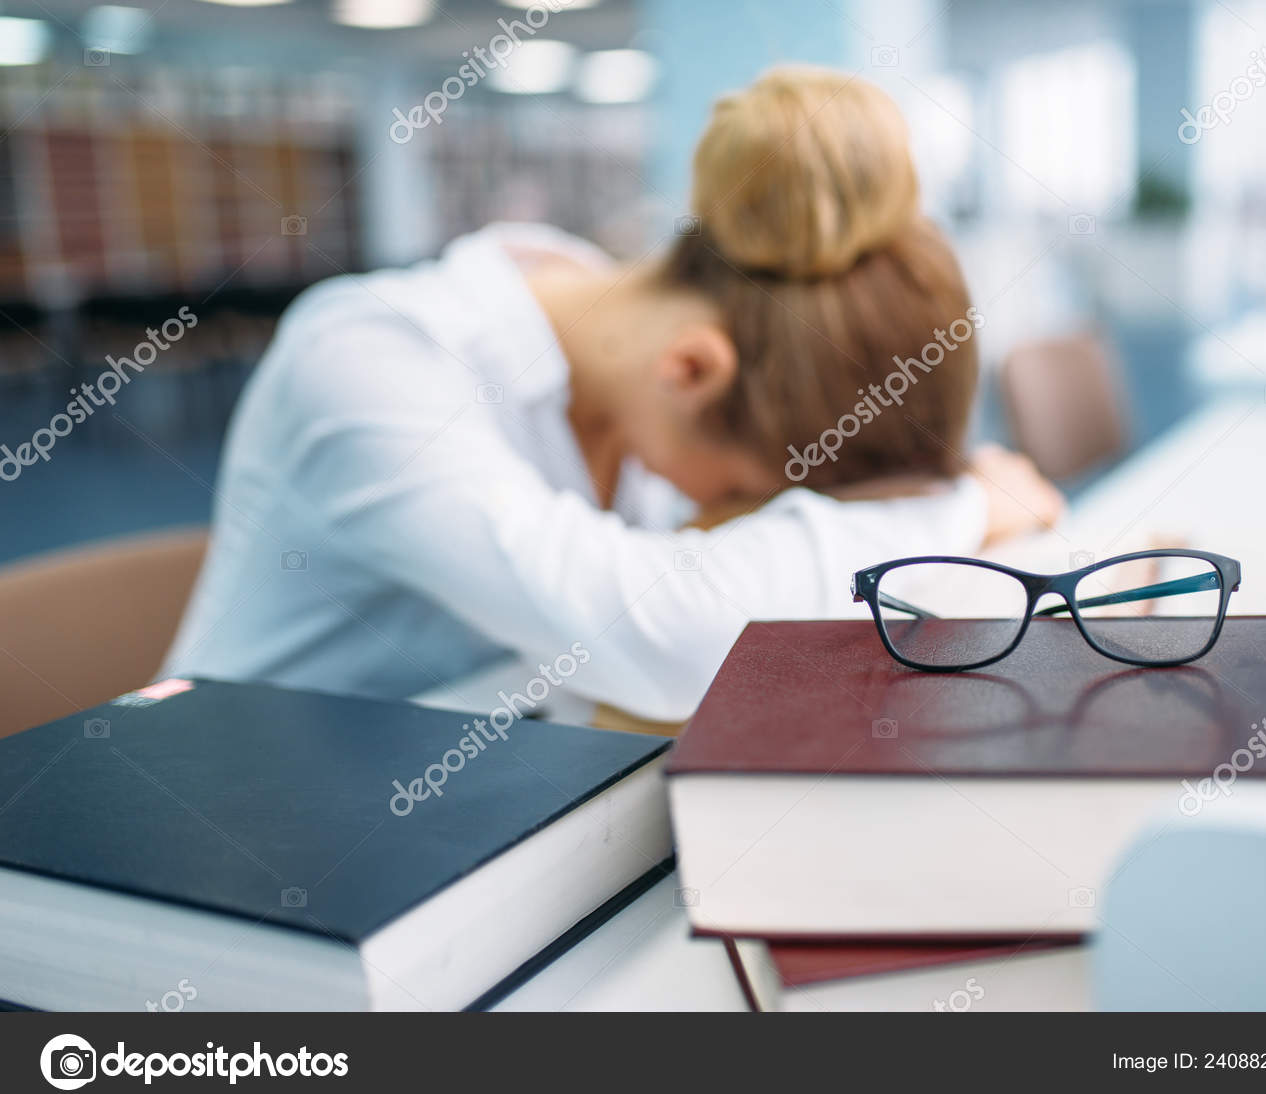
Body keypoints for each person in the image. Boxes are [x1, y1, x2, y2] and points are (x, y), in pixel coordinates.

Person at [163, 66, 1061, 719]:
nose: (752, 510)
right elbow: (668, 637)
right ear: (692, 372)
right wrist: (964, 508)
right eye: (758, 488)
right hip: (242, 856)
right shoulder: (370, 356)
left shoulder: (629, 347)